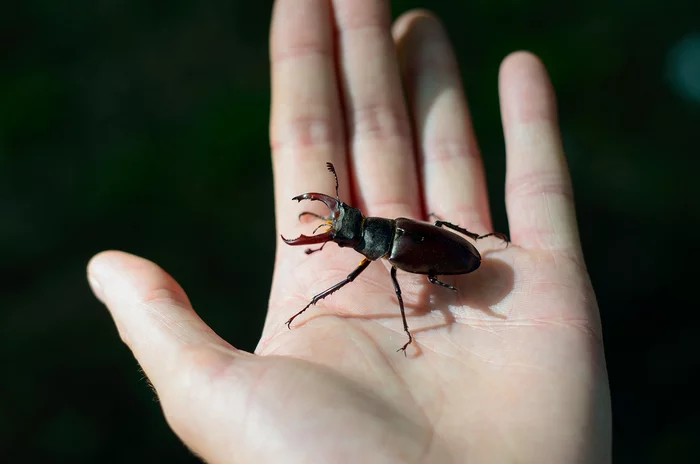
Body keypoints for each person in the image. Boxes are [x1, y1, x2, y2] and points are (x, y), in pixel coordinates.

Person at [86, 2, 612, 462]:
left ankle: (428, 286)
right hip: (451, 254)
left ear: (369, 234)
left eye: (346, 228)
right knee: (424, 263)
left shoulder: (395, 251)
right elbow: (430, 239)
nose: (342, 227)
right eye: (345, 229)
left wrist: (409, 320)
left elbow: (421, 273)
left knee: (405, 283)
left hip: (460, 260)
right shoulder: (396, 233)